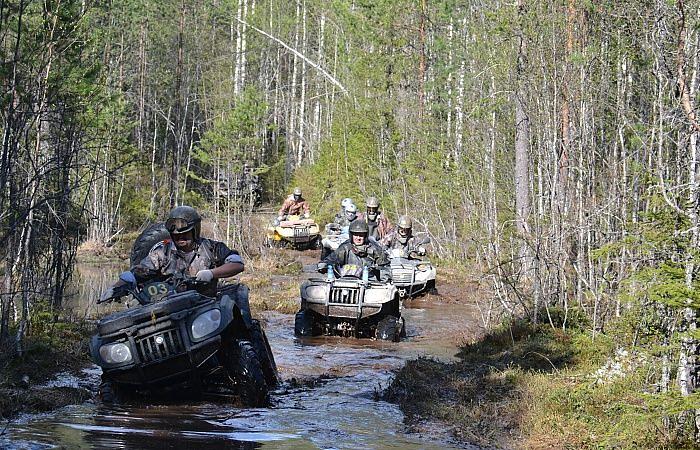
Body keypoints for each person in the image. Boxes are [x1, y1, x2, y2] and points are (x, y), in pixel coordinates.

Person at [130, 206, 245, 296]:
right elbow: (138, 272)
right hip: (171, 306)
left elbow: (237, 264)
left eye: (185, 234)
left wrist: (211, 273)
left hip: (205, 305)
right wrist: (123, 282)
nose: (180, 237)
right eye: (175, 235)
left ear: (195, 231)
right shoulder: (162, 252)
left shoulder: (212, 248)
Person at [318, 219, 391, 281]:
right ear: (351, 235)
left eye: (361, 235)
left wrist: (383, 279)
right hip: (346, 282)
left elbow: (385, 267)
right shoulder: (345, 248)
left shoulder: (375, 249)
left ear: (365, 235)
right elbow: (332, 258)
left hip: (370, 284)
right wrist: (324, 264)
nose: (358, 238)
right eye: (355, 235)